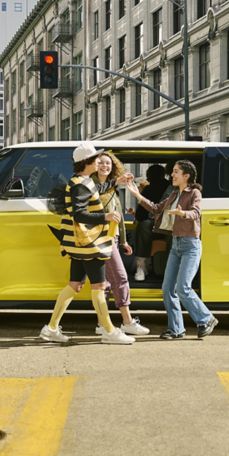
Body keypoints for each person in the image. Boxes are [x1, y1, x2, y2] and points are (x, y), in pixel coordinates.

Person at [40, 142, 135, 345]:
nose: (99, 161)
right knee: (99, 286)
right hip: (89, 244)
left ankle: (51, 328)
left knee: (75, 285)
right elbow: (78, 213)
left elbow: (97, 188)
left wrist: (116, 180)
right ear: (88, 162)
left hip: (78, 244)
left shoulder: (81, 181)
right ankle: (109, 331)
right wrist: (105, 216)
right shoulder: (81, 185)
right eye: (96, 159)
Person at [126, 160, 219, 340]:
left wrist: (182, 214)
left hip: (190, 245)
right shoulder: (173, 193)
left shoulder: (194, 193)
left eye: (176, 172)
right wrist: (137, 195)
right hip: (176, 244)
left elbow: (196, 213)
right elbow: (155, 208)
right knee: (168, 288)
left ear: (186, 176)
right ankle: (176, 329)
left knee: (183, 287)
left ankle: (207, 319)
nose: (172, 175)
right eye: (172, 172)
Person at [92, 152, 150, 336]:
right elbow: (92, 198)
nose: (104, 166)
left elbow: (118, 217)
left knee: (107, 283)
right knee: (121, 278)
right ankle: (127, 321)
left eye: (108, 163)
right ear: (93, 165)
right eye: (100, 162)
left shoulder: (111, 189)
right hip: (101, 239)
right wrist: (116, 181)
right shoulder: (91, 184)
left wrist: (123, 240)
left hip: (112, 238)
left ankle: (102, 324)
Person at [129, 165, 172, 281]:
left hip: (162, 225)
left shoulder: (151, 189)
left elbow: (140, 215)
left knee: (143, 226)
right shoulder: (169, 186)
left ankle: (141, 266)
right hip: (165, 225)